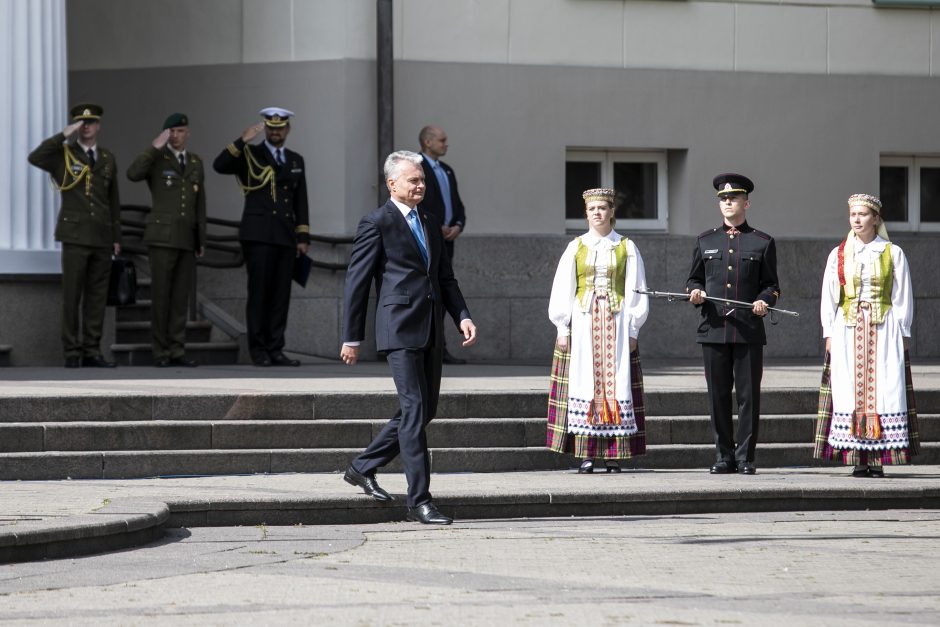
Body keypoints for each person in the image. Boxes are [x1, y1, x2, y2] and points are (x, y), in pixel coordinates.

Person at [340, 150, 477, 525]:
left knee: (425, 409)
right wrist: (351, 337)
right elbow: (357, 282)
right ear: (392, 184)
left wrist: (461, 315)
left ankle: (362, 466)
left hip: (431, 325)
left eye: (422, 180)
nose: (420, 185)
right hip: (398, 327)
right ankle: (420, 500)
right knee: (414, 409)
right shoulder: (376, 222)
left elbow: (445, 277)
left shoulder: (430, 221)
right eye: (413, 180)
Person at [814, 194, 919, 477]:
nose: (857, 220)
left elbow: (902, 295)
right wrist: (829, 333)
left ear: (875, 218)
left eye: (862, 214)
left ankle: (879, 457)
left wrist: (902, 330)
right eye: (853, 215)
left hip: (883, 329)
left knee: (884, 388)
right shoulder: (839, 254)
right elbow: (829, 295)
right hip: (847, 329)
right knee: (849, 389)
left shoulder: (892, 253)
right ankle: (856, 457)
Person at [547, 188, 650, 473]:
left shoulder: (626, 246)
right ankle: (586, 453)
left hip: (616, 321)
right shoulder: (577, 246)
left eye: (603, 208)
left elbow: (636, 288)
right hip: (583, 321)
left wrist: (633, 329)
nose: (597, 213)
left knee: (616, 382)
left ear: (611, 212)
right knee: (585, 381)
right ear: (586, 213)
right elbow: (563, 288)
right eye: (592, 209)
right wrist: (562, 327)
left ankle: (614, 453)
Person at [686, 173, 780, 475]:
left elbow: (772, 285)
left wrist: (765, 301)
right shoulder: (705, 240)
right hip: (713, 329)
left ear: (746, 202)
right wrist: (695, 293)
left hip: (748, 329)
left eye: (734, 198)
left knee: (748, 397)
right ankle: (723, 456)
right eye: (723, 199)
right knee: (717, 397)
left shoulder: (762, 242)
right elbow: (693, 279)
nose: (728, 202)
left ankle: (745, 457)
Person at [212, 107, 310, 367]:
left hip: (285, 236)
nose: (275, 132)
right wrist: (241, 140)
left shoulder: (295, 159)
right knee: (259, 294)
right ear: (266, 129)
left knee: (280, 295)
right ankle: (258, 351)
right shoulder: (250, 153)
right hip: (258, 234)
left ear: (287, 130)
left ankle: (276, 348)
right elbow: (219, 165)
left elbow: (301, 200)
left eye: (280, 128)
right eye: (271, 128)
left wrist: (303, 236)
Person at [28, 103, 121, 368]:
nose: (87, 126)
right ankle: (72, 350)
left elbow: (113, 199)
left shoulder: (107, 158)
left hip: (102, 236)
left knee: (96, 297)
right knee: (72, 296)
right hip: (75, 235)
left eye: (91, 122)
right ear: (76, 126)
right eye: (82, 123)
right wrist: (62, 136)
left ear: (99, 126)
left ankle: (92, 350)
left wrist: (116, 237)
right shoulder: (63, 154)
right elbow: (35, 157)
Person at [126, 113, 207, 367]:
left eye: (180, 131)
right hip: (161, 238)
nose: (176, 136)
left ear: (188, 133)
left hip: (185, 238)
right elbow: (133, 173)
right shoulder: (157, 159)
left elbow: (200, 203)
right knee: (161, 297)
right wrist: (154, 146)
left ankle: (176, 349)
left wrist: (200, 238)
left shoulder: (195, 162)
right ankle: (160, 351)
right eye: (171, 132)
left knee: (180, 299)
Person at [418, 125, 467, 365]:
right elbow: (417, 202)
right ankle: (428, 343)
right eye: (442, 140)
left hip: (447, 240)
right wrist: (434, 226)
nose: (446, 144)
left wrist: (458, 224)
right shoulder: (418, 168)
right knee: (428, 291)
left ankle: (440, 345)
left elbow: (457, 204)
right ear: (427, 142)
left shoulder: (447, 170)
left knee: (444, 290)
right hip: (428, 238)